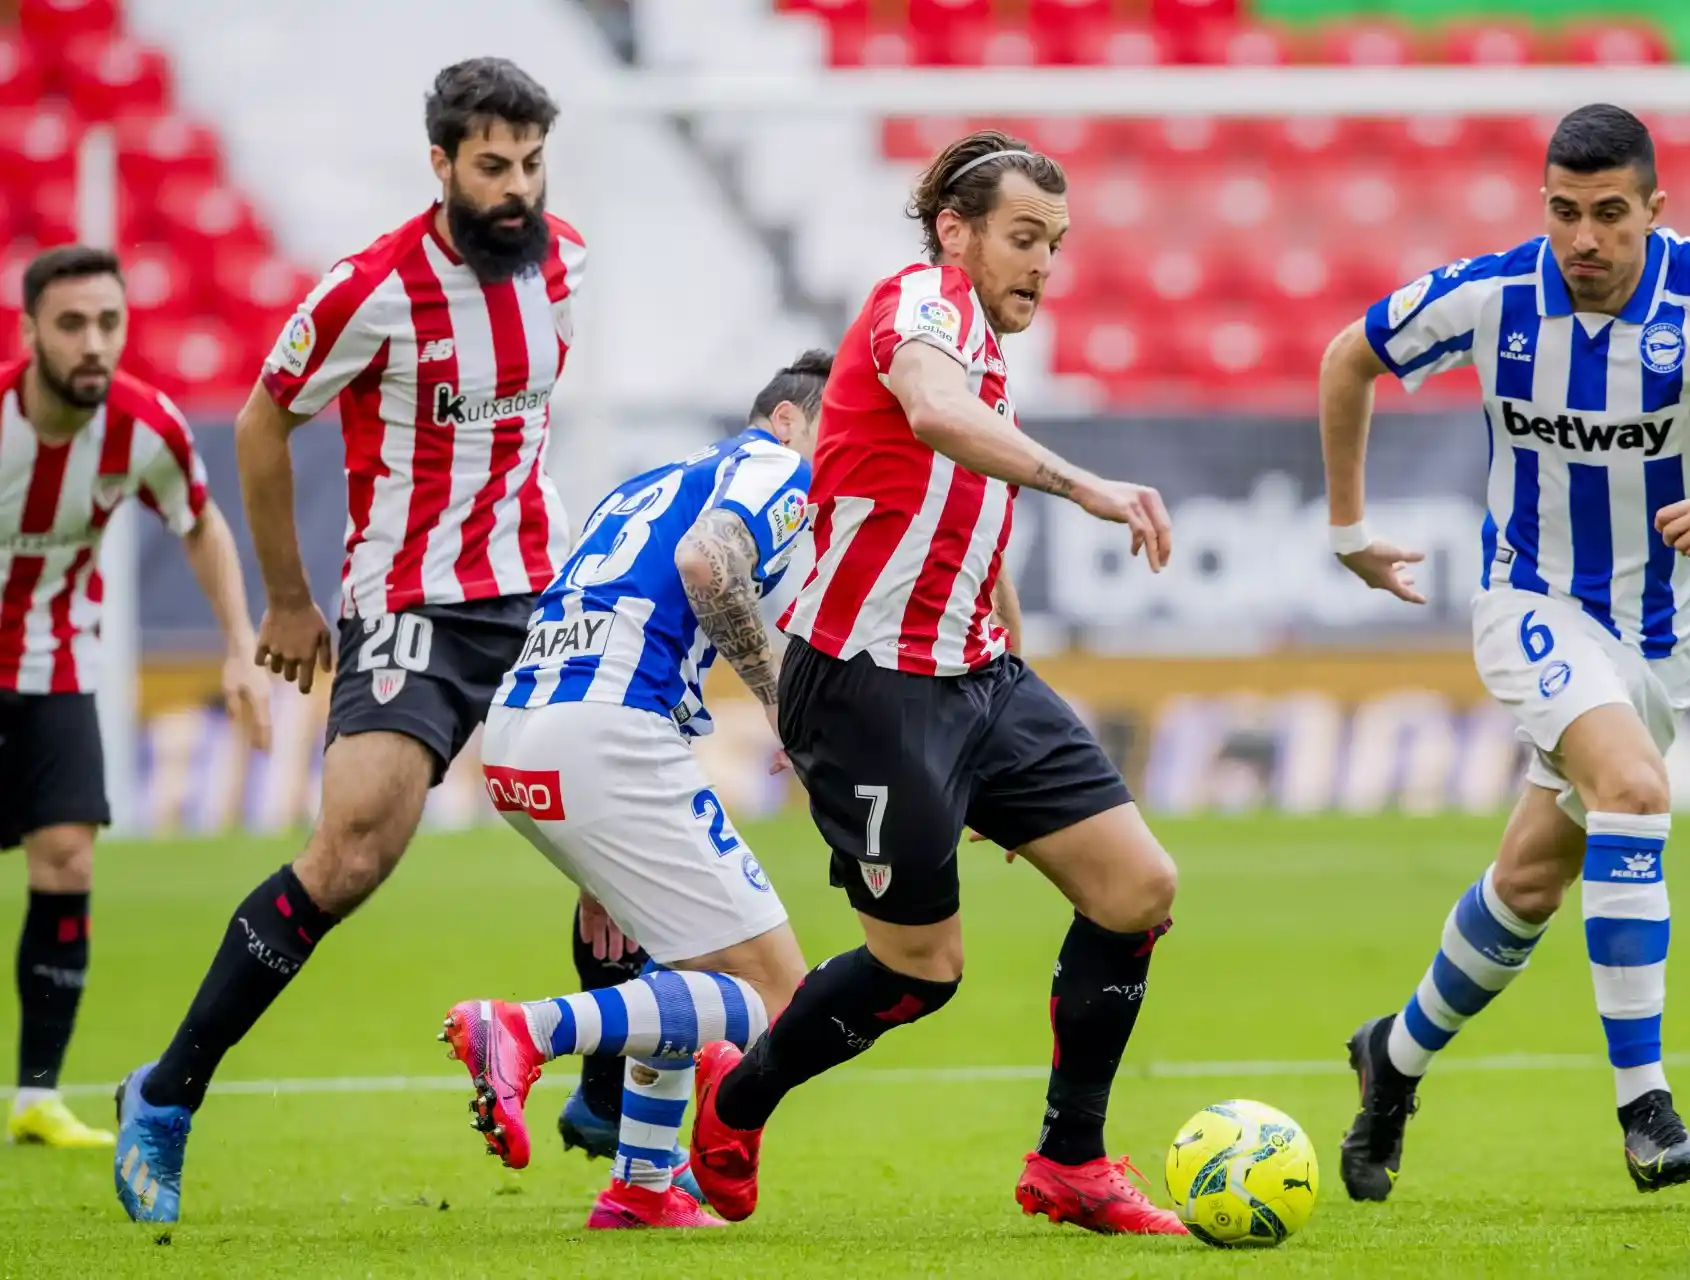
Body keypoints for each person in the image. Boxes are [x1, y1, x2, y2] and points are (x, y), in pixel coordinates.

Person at [1318, 103, 1690, 1198]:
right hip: (1529, 604)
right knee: (1633, 785)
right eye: (1566, 213)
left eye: (1610, 215)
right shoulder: (1493, 295)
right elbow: (1350, 356)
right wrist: (1348, 534)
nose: (1585, 239)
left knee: (1529, 879)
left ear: (1653, 210)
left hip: (1661, 638)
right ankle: (1645, 1105)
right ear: (1544, 206)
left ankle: (1393, 1054)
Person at [684, 130, 1186, 1237]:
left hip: (980, 678)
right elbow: (930, 411)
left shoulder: (987, 354)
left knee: (1137, 886)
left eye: (1054, 244)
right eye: (1022, 238)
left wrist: (1008, 743)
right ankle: (740, 1096)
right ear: (954, 232)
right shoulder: (920, 302)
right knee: (921, 967)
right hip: (866, 686)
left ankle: (1072, 1159)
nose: (1042, 265)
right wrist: (1087, 484)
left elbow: (967, 528)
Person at [112, 58, 587, 1224]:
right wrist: (285, 596)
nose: (516, 188)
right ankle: (165, 1094)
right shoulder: (368, 289)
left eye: (530, 163)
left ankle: (618, 1093)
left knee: (612, 812)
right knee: (356, 846)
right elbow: (268, 419)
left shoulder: (564, 259)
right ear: (440, 164)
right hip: (412, 600)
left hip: (536, 587)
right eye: (492, 166)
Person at [439, 352, 827, 1231]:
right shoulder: (777, 466)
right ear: (789, 420)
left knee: (682, 969)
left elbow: (610, 611)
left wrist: (597, 870)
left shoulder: (648, 484)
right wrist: (783, 710)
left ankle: (643, 1188)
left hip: (523, 734)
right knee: (783, 1003)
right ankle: (527, 1030)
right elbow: (704, 565)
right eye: (836, 432)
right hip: (607, 734)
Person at [1, 246, 269, 1149]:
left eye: (109, 323)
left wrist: (239, 647)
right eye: (72, 324)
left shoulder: (143, 427)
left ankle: (35, 1096)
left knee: (68, 859)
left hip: (58, 669)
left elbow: (200, 524)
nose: (93, 343)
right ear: (31, 329)